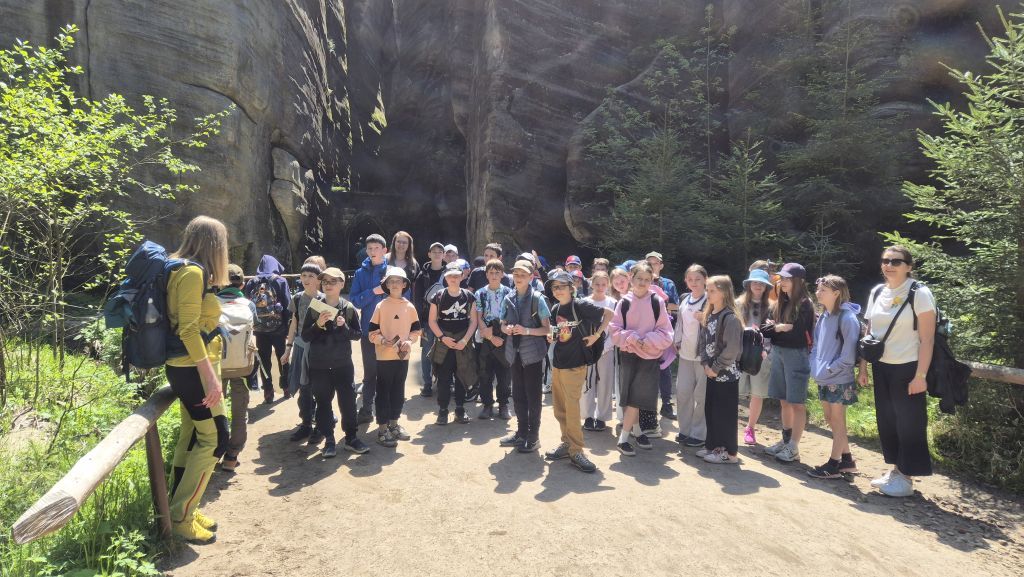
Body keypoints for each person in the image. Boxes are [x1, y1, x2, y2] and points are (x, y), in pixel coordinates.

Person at [165, 215, 230, 543]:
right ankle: (181, 516)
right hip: (192, 369)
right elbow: (188, 330)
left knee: (192, 437)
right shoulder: (192, 273)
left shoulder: (182, 269)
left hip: (187, 366)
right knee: (216, 439)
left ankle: (178, 507)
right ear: (214, 244)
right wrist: (210, 378)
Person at [858, 246, 936, 497]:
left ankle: (906, 477)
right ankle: (896, 470)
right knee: (888, 420)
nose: (889, 265)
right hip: (882, 365)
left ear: (908, 266)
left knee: (909, 422)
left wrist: (920, 376)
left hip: (908, 367)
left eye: (896, 261)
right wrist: (863, 366)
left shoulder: (919, 293)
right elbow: (869, 331)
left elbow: (927, 339)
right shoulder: (877, 292)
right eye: (885, 260)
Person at [545, 270, 612, 473]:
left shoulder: (580, 305)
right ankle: (566, 444)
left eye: (562, 286)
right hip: (558, 364)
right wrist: (552, 336)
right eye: (554, 287)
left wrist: (596, 335)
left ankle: (576, 451)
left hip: (575, 366)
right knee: (560, 409)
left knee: (572, 409)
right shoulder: (556, 308)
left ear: (571, 288)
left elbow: (609, 314)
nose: (558, 290)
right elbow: (559, 332)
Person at [608, 262, 674, 455]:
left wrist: (649, 340)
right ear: (631, 278)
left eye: (647, 279)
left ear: (652, 280)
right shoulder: (624, 303)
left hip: (649, 357)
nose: (643, 283)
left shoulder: (657, 302)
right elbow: (615, 330)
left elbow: (666, 332)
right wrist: (633, 338)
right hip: (628, 355)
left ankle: (623, 439)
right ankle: (637, 431)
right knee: (631, 397)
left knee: (637, 397)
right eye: (639, 278)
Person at [301, 267, 368, 457]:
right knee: (323, 403)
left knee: (348, 402)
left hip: (342, 364)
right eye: (325, 282)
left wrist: (344, 326)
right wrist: (318, 325)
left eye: (333, 281)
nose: (328, 285)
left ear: (342, 284)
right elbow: (305, 336)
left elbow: (357, 335)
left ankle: (351, 438)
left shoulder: (348, 308)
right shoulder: (315, 307)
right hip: (319, 365)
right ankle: (329, 440)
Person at [808, 275, 862, 479]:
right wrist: (815, 366)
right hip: (824, 377)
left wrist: (828, 370)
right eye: (818, 289)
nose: (818, 293)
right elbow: (815, 346)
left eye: (823, 290)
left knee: (838, 421)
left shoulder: (847, 319)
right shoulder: (823, 316)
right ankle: (847, 461)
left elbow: (848, 357)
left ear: (837, 293)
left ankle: (833, 464)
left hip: (839, 379)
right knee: (831, 419)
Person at [763, 262, 815, 463]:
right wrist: (779, 328)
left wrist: (777, 328)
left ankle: (793, 447)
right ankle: (786, 441)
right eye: (781, 278)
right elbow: (764, 330)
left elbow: (797, 334)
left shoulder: (805, 304)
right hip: (779, 352)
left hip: (796, 355)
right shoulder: (780, 302)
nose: (781, 282)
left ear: (798, 281)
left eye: (786, 278)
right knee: (783, 400)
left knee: (797, 403)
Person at [499, 259, 552, 452]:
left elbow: (547, 329)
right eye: (516, 274)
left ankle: (533, 436)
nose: (518, 277)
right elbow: (502, 324)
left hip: (533, 355)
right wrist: (507, 329)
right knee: (518, 394)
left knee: (533, 396)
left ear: (531, 277)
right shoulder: (508, 297)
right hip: (514, 353)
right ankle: (521, 432)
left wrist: (526, 331)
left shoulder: (538, 299)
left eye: (523, 274)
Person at [368, 267, 421, 447]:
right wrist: (382, 341)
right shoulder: (381, 306)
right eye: (391, 281)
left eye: (398, 281)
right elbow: (372, 333)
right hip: (384, 357)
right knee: (383, 391)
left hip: (402, 357)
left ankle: (394, 424)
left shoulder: (410, 307)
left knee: (398, 391)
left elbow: (416, 330)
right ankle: (382, 429)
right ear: (387, 285)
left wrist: (410, 342)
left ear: (405, 284)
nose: (395, 284)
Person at [696, 276, 744, 464]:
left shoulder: (730, 318)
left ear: (724, 292)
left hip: (726, 375)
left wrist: (715, 367)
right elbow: (703, 340)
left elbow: (732, 349)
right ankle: (713, 445)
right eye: (707, 290)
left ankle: (729, 453)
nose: (708, 294)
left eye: (712, 291)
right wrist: (705, 364)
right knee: (712, 410)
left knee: (725, 414)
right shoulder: (709, 314)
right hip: (711, 372)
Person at [216, 264, 258, 472]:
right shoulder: (248, 305)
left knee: (216, 410)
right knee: (240, 411)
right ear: (242, 284)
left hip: (217, 368)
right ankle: (231, 457)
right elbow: (254, 327)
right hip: (242, 367)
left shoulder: (212, 304)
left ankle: (212, 453)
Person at [428, 262, 479, 425]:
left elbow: (473, 321)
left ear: (462, 277)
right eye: (450, 276)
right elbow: (432, 321)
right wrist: (442, 337)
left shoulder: (469, 296)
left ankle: (460, 409)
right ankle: (443, 411)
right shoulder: (438, 296)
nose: (453, 279)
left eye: (456, 276)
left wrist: (464, 340)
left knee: (462, 376)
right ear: (445, 277)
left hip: (463, 342)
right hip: (444, 342)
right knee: (443, 378)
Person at [350, 233, 392, 423]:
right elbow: (355, 300)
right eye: (370, 248)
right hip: (369, 331)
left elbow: (403, 299)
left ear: (385, 250)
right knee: (370, 373)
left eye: (377, 248)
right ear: (366, 251)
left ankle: (387, 413)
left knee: (388, 373)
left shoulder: (393, 272)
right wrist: (374, 291)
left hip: (390, 331)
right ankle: (367, 409)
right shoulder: (360, 273)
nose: (373, 251)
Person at [283, 259, 326, 444]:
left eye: (311, 276)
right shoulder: (297, 298)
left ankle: (321, 426)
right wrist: (288, 349)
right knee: (304, 389)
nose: (306, 279)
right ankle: (306, 424)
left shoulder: (324, 299)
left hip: (319, 350)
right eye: (303, 275)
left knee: (320, 389)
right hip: (301, 348)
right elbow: (294, 324)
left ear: (319, 279)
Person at [244, 254, 292, 404]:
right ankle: (286, 387)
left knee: (264, 359)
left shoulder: (251, 282)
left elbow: (247, 305)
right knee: (283, 357)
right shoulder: (280, 281)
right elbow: (288, 306)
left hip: (259, 329)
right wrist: (288, 328)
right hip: (279, 328)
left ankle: (268, 391)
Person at [673, 264, 709, 447]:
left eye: (698, 279)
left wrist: (705, 319)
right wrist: (676, 341)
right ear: (686, 281)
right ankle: (684, 430)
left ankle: (699, 434)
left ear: (705, 280)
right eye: (690, 279)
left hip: (703, 357)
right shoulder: (684, 299)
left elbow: (719, 325)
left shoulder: (711, 300)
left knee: (701, 396)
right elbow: (679, 323)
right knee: (683, 393)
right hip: (685, 355)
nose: (694, 283)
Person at [737, 267, 773, 445]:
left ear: (766, 287)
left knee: (757, 394)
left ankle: (750, 428)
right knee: (735, 390)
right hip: (740, 354)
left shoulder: (772, 307)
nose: (758, 286)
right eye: (755, 282)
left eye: (762, 283)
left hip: (763, 356)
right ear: (749, 284)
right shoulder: (738, 304)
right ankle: (729, 424)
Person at [475, 259, 514, 420]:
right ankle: (487, 404)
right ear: (486, 274)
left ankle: (503, 404)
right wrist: (490, 336)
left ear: (502, 274)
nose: (494, 275)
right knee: (485, 373)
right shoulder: (480, 293)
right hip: (485, 336)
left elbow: (511, 315)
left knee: (504, 373)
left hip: (504, 335)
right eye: (491, 272)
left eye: (497, 272)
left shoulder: (509, 293)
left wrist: (498, 332)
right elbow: (479, 317)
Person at [581, 271, 617, 432]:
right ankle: (587, 416)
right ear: (591, 284)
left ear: (608, 285)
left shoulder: (613, 303)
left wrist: (604, 348)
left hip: (607, 349)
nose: (600, 287)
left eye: (603, 284)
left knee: (605, 383)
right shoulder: (584, 302)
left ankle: (602, 417)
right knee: (587, 382)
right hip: (587, 350)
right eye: (597, 284)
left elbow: (615, 329)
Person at [413, 242, 447, 397]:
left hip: (445, 320)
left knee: (445, 351)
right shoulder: (422, 274)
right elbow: (417, 299)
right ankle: (427, 383)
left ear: (444, 255)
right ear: (429, 254)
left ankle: (443, 382)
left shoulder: (449, 273)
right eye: (434, 251)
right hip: (427, 320)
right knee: (427, 351)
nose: (437, 254)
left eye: (440, 251)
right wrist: (418, 323)